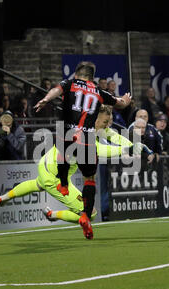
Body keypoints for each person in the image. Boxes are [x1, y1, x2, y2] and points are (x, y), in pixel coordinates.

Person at [0, 105, 152, 235]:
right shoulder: (85, 138)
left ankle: (2, 198)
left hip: (46, 164)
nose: (107, 126)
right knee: (91, 213)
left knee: (37, 184)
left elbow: (114, 136)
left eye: (108, 122)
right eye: (105, 122)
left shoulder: (83, 125)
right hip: (54, 178)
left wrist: (132, 145)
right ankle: (53, 215)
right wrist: (128, 151)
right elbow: (101, 150)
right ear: (95, 119)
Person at [33, 61, 131, 239]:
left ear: (77, 75)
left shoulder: (69, 84)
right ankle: (85, 216)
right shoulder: (100, 92)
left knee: (63, 153)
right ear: (92, 77)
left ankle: (62, 184)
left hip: (67, 133)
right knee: (89, 179)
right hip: (87, 138)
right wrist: (126, 100)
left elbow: (56, 90)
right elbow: (120, 103)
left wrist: (46, 99)